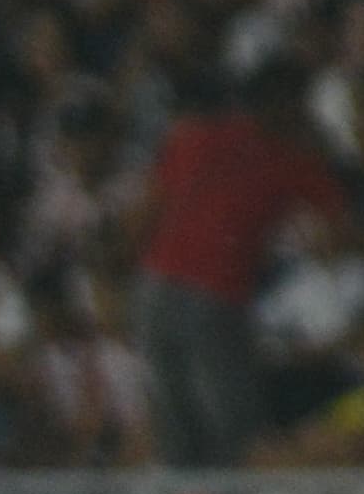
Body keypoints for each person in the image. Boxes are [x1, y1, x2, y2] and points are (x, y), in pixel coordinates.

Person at [135, 61, 348, 467]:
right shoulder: (288, 154)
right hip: (212, 293)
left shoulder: (197, 136)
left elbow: (147, 207)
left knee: (177, 418)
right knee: (229, 420)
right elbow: (337, 227)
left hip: (156, 285)